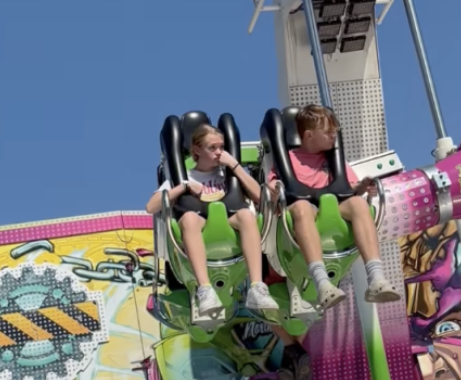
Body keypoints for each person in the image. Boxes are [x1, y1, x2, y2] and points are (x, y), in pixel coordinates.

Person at [268, 105, 400, 309]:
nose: (333, 136)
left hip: (334, 210)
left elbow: (350, 189)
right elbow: (274, 188)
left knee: (357, 204)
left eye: (335, 131)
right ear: (309, 135)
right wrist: (273, 190)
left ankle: (376, 278)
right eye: (328, 132)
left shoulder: (334, 161)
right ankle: (322, 283)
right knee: (302, 207)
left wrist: (364, 187)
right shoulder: (288, 160)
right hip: (305, 212)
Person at [146, 123, 278, 324]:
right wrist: (183, 187)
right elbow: (151, 206)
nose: (218, 153)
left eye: (221, 148)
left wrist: (235, 165)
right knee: (189, 218)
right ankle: (204, 289)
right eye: (212, 148)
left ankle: (257, 287)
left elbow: (260, 197)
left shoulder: (228, 175)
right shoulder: (185, 176)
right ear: (197, 150)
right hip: (200, 228)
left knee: (247, 215)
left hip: (229, 230)